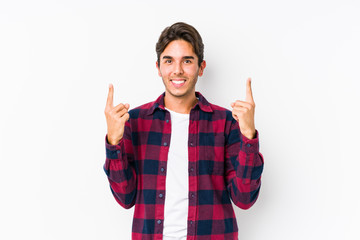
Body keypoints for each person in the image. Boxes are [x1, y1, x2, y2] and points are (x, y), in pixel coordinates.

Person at [104, 22, 264, 240]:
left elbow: (244, 198)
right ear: (158, 67)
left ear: (201, 67)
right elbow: (125, 198)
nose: (177, 70)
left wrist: (248, 136)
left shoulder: (226, 122)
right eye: (169, 61)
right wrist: (114, 142)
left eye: (187, 61)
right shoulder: (135, 121)